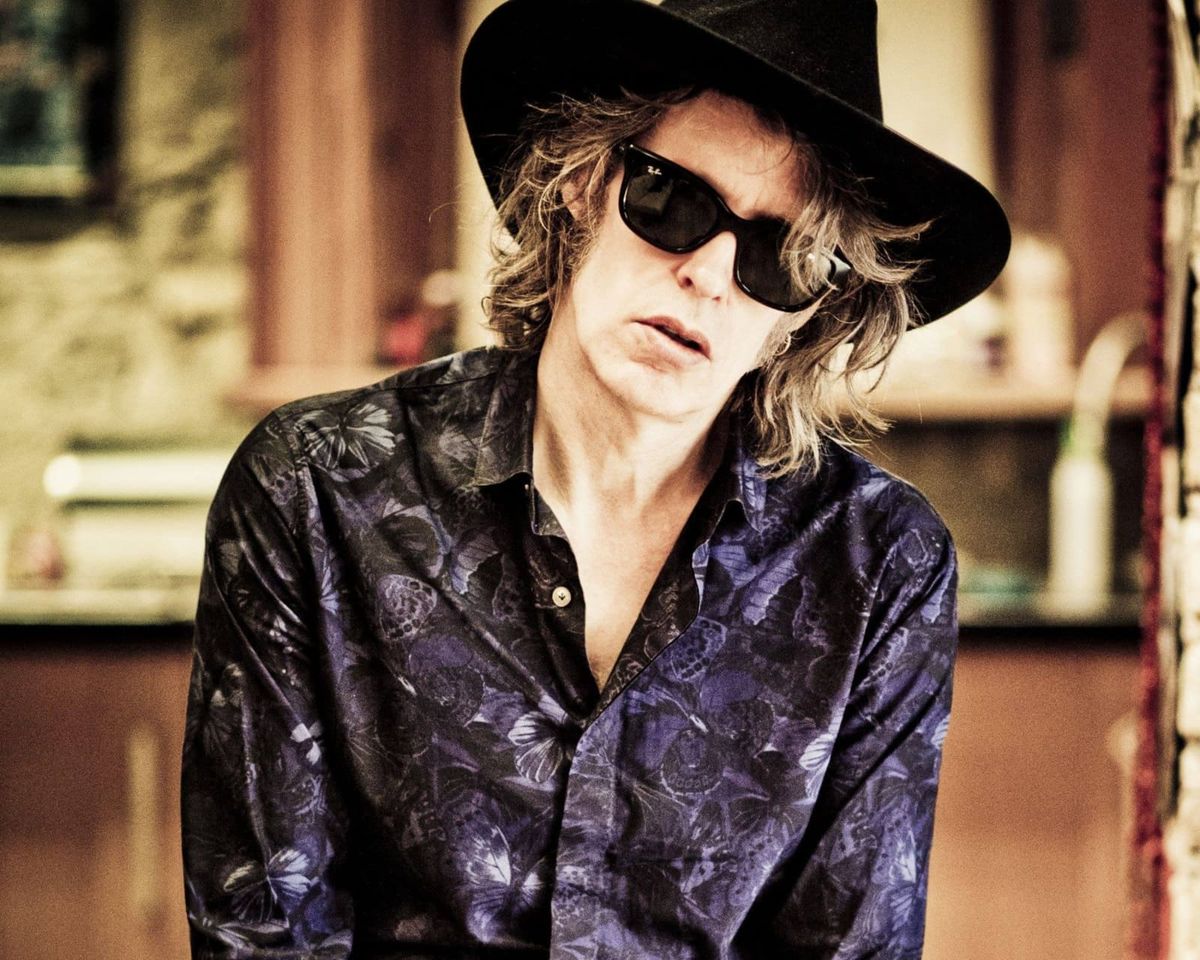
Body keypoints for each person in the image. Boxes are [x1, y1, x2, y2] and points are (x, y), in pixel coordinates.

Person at [181, 0, 1010, 957]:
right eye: (672, 200)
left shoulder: (876, 564)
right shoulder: (316, 490)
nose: (709, 275)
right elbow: (264, 934)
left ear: (811, 309)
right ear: (580, 181)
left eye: (780, 255)